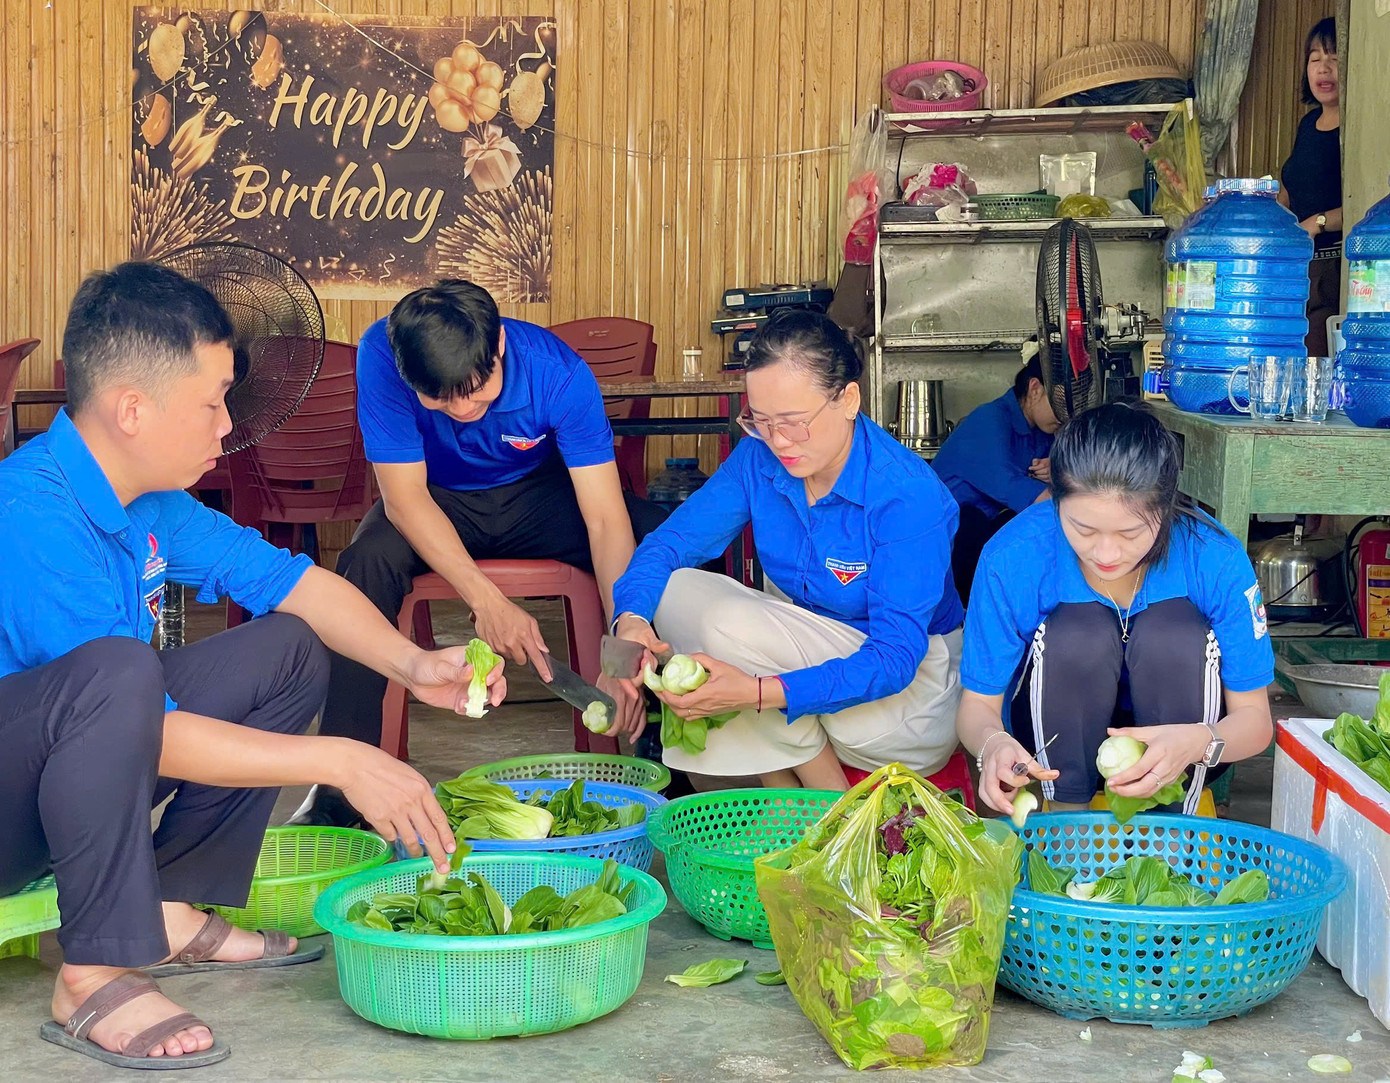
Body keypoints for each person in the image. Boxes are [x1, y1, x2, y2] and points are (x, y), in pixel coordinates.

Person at [0, 263, 505, 1069]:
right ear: (133, 409)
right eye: (212, 402)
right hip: (10, 810)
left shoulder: (151, 499)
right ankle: (91, 968)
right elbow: (145, 733)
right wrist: (345, 758)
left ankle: (164, 907)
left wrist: (414, 665)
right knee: (120, 673)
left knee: (288, 645)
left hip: (76, 763)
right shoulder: (30, 513)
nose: (227, 425)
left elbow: (295, 584)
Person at [298, 281, 666, 827]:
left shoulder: (556, 373)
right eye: (443, 400)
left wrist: (618, 657)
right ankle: (339, 790)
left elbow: (605, 520)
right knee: (364, 565)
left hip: (535, 497)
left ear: (498, 349)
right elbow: (403, 499)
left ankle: (660, 746)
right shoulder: (382, 354)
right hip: (433, 501)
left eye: (478, 391)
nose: (465, 410)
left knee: (664, 546)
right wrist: (485, 599)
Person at [604, 310, 965, 790]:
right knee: (675, 592)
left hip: (905, 704)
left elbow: (894, 658)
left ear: (849, 399)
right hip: (808, 665)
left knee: (729, 627)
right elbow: (671, 543)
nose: (777, 441)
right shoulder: (761, 459)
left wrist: (756, 693)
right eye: (760, 421)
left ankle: (826, 804)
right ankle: (795, 799)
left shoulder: (906, 497)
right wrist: (629, 623)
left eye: (794, 423)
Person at [954, 402, 1274, 819]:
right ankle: (1067, 825)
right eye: (1083, 529)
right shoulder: (1013, 556)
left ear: (1164, 508)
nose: (1105, 553)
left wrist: (1197, 743)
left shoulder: (1214, 558)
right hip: (1052, 747)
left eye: (1130, 532)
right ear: (1056, 502)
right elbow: (977, 707)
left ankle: (1173, 829)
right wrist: (992, 744)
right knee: (1077, 631)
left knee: (1172, 632)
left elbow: (1255, 722)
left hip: (1186, 751)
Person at [930, 347, 1061, 602]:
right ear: (1035, 389)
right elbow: (1037, 499)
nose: (1066, 414)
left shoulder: (1043, 431)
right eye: (1060, 403)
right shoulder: (988, 422)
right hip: (946, 550)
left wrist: (1058, 473)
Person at [1279, 16, 1341, 355]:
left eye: (1334, 58)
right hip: (1302, 270)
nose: (1323, 68)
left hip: (1337, 272)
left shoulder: (1358, 124)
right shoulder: (1307, 124)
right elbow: (1291, 189)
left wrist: (1318, 222)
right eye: (1315, 58)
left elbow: (1367, 200)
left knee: (1317, 359)